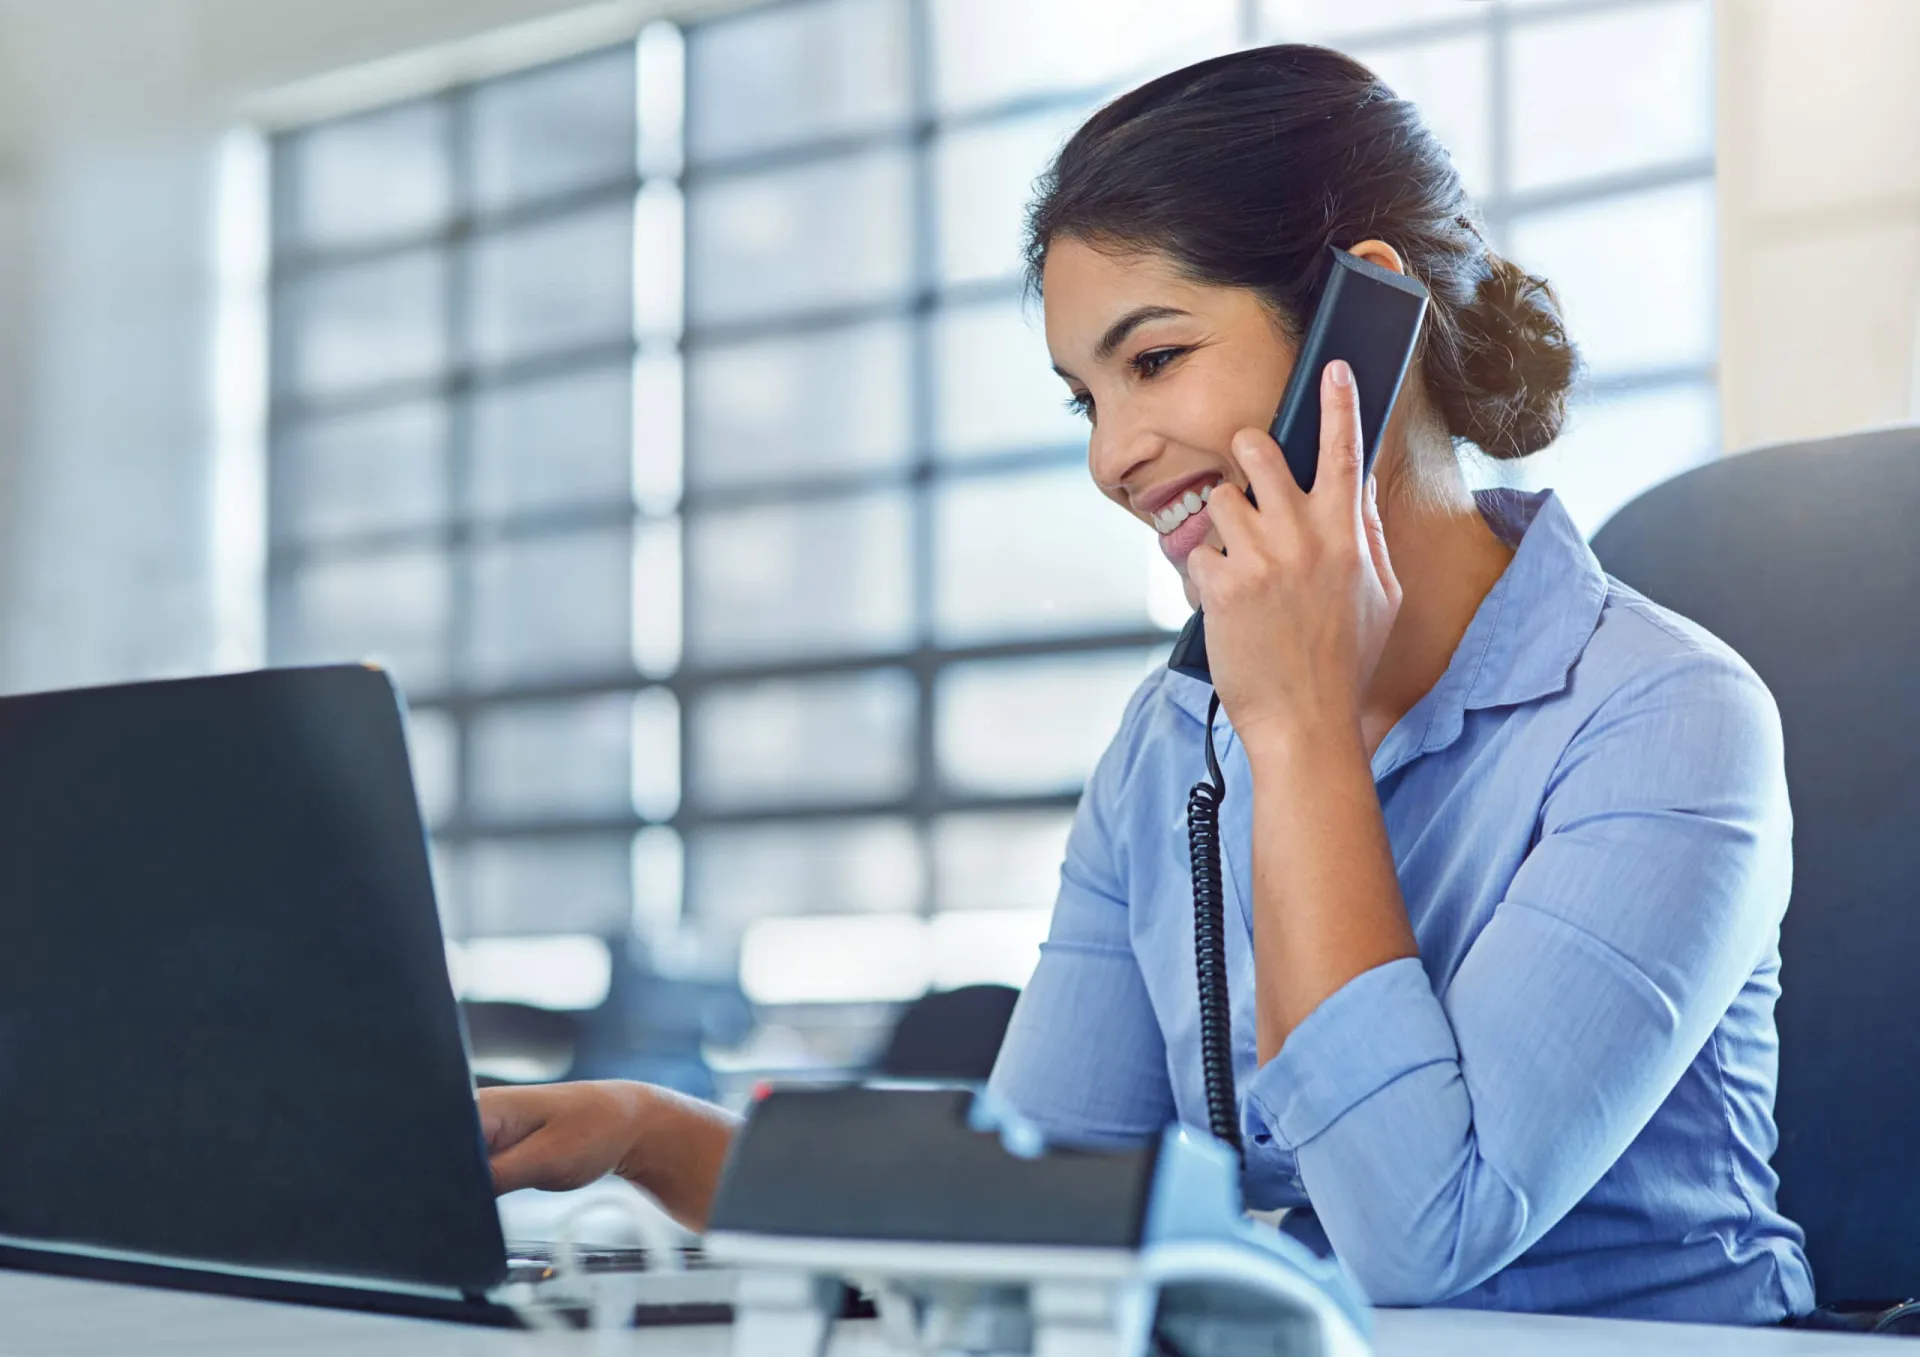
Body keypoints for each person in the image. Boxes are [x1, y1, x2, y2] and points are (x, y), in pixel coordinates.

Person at [477, 45, 1813, 1324]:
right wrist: (644, 1138)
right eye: (1086, 400)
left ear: (1367, 323)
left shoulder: (1667, 721)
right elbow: (1023, 1221)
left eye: (1155, 359)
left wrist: (1295, 730)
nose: (1116, 459)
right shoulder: (1173, 742)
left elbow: (1421, 1234)